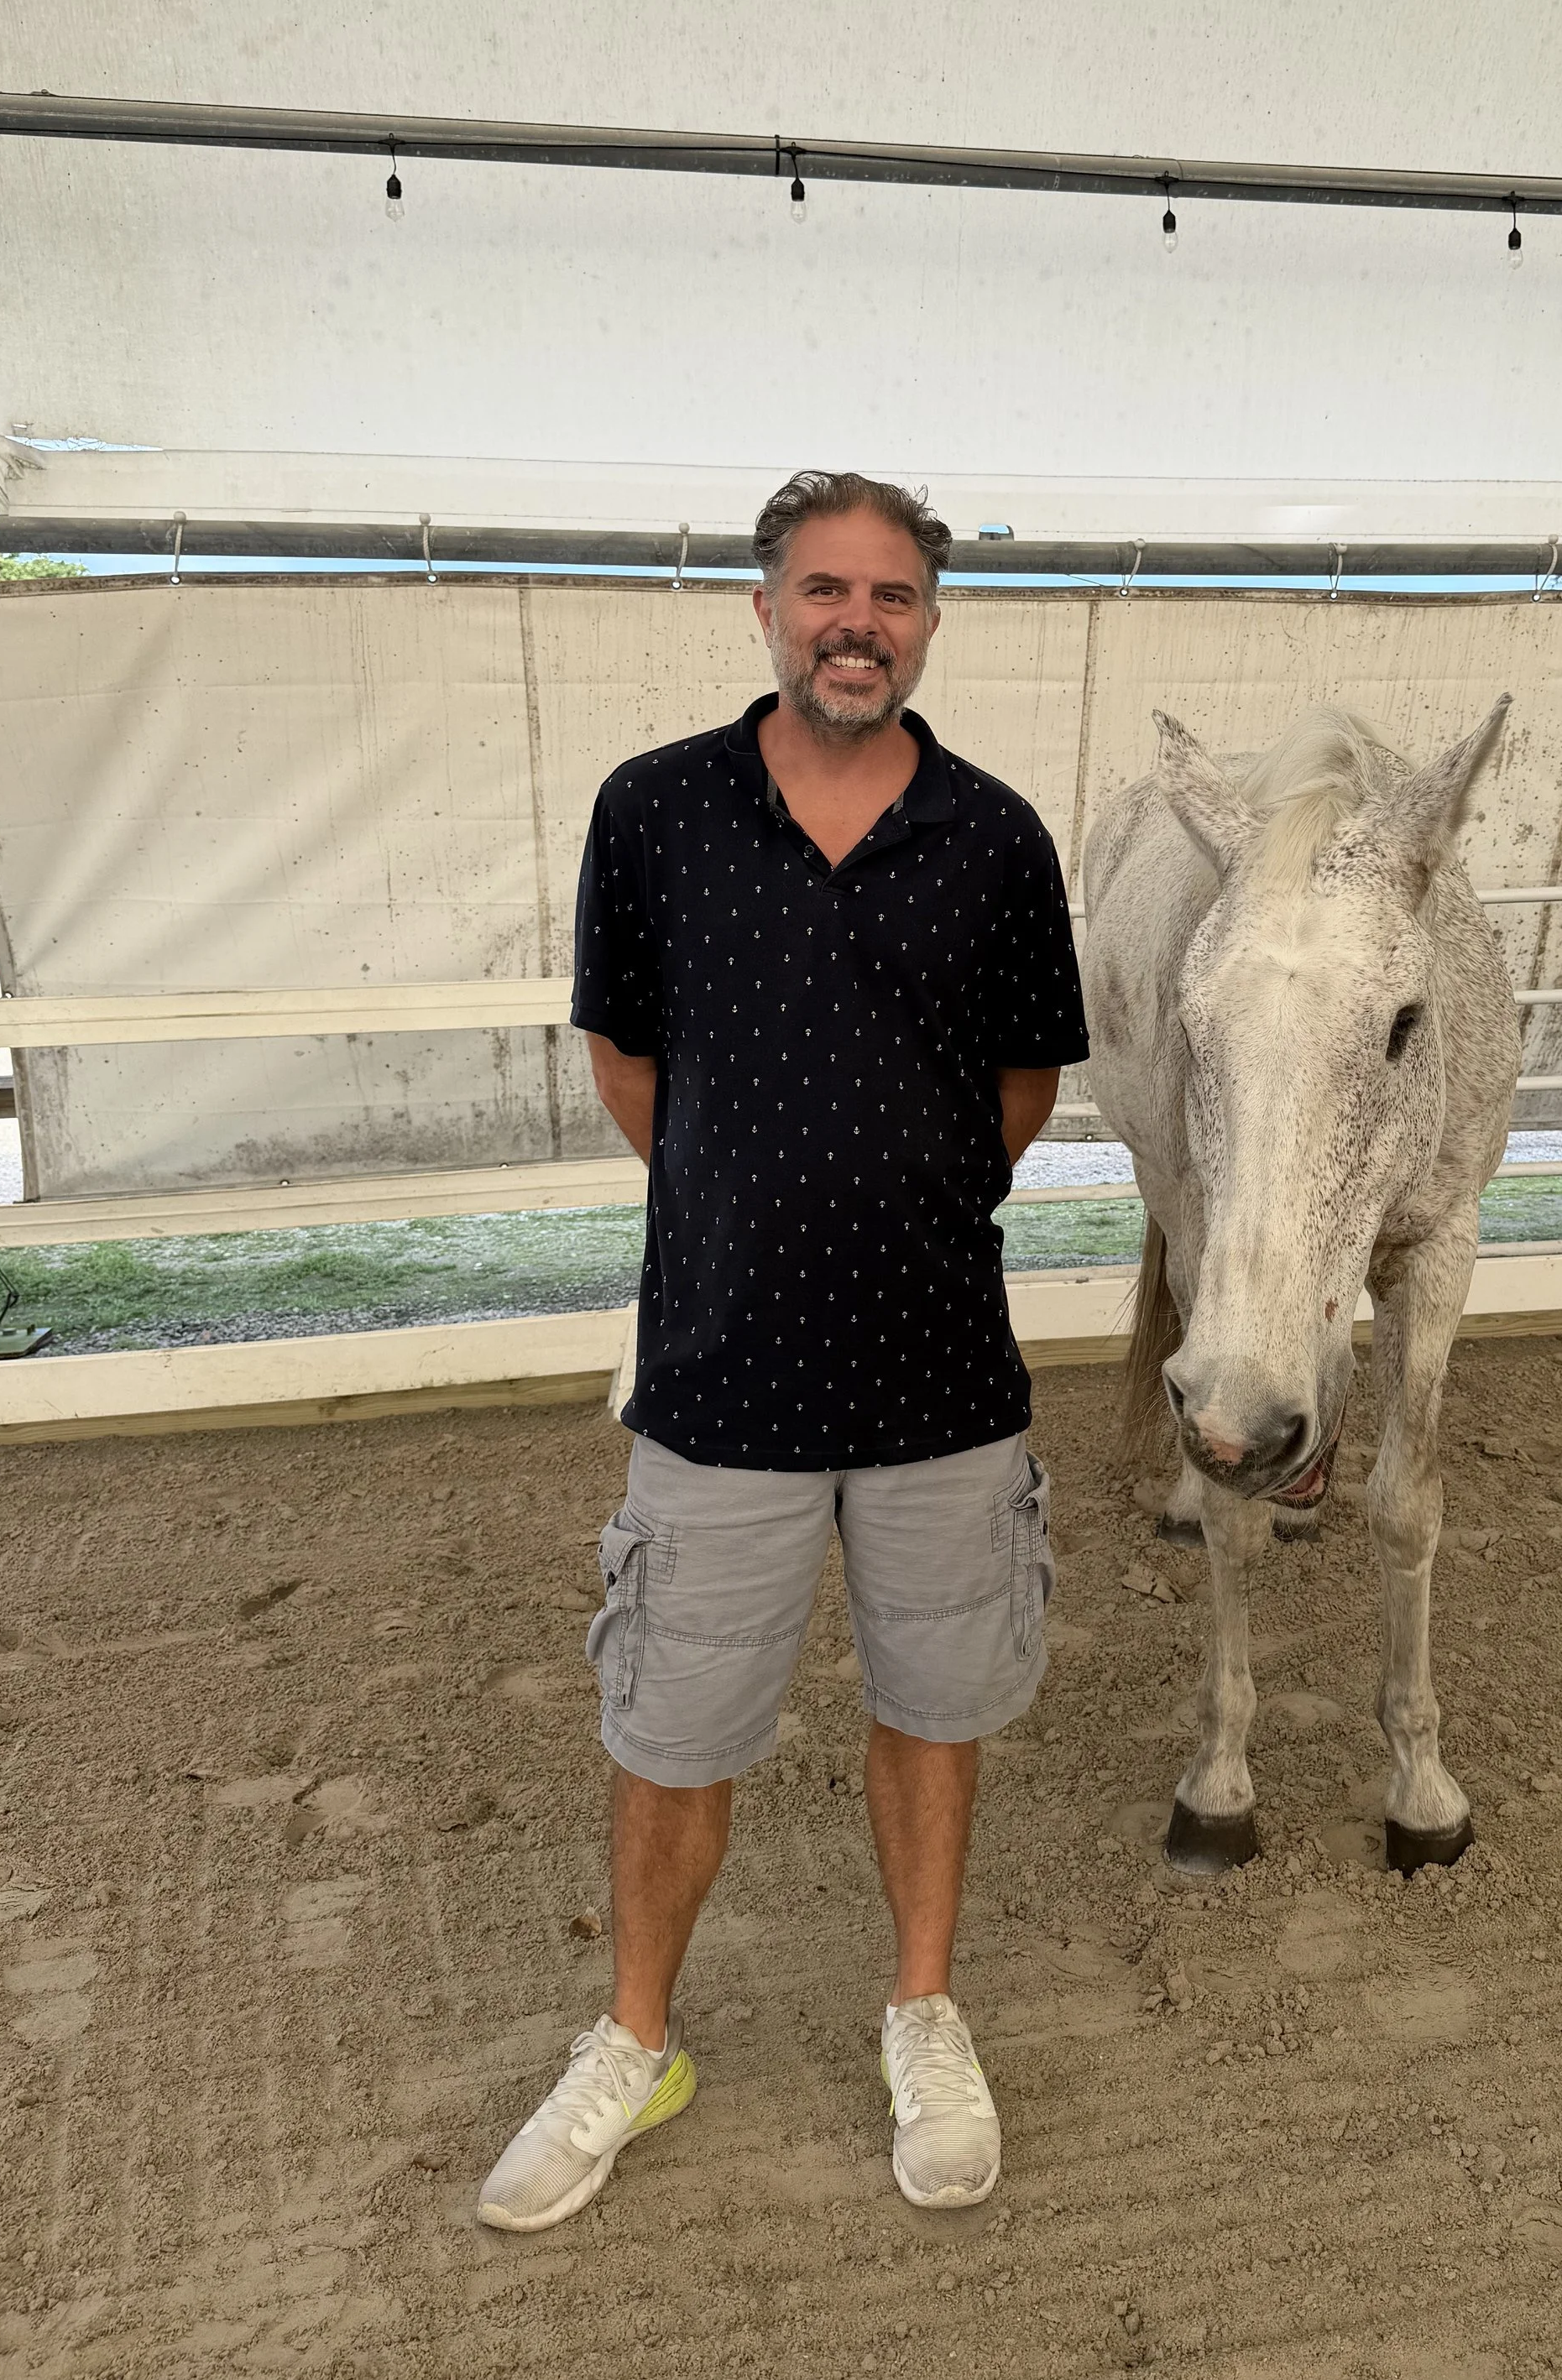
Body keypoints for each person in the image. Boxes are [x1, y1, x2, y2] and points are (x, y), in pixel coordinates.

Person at [478, 470, 1089, 2234]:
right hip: (722, 1369)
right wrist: (748, 1204)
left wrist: (900, 1198)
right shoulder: (654, 811)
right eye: (825, 589)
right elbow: (629, 1064)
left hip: (938, 1374)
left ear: (927, 624)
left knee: (934, 1706)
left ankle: (923, 2011)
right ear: (764, 608)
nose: (855, 623)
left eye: (891, 596)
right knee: (674, 1724)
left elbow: (1023, 1085)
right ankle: (635, 2038)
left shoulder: (995, 837)